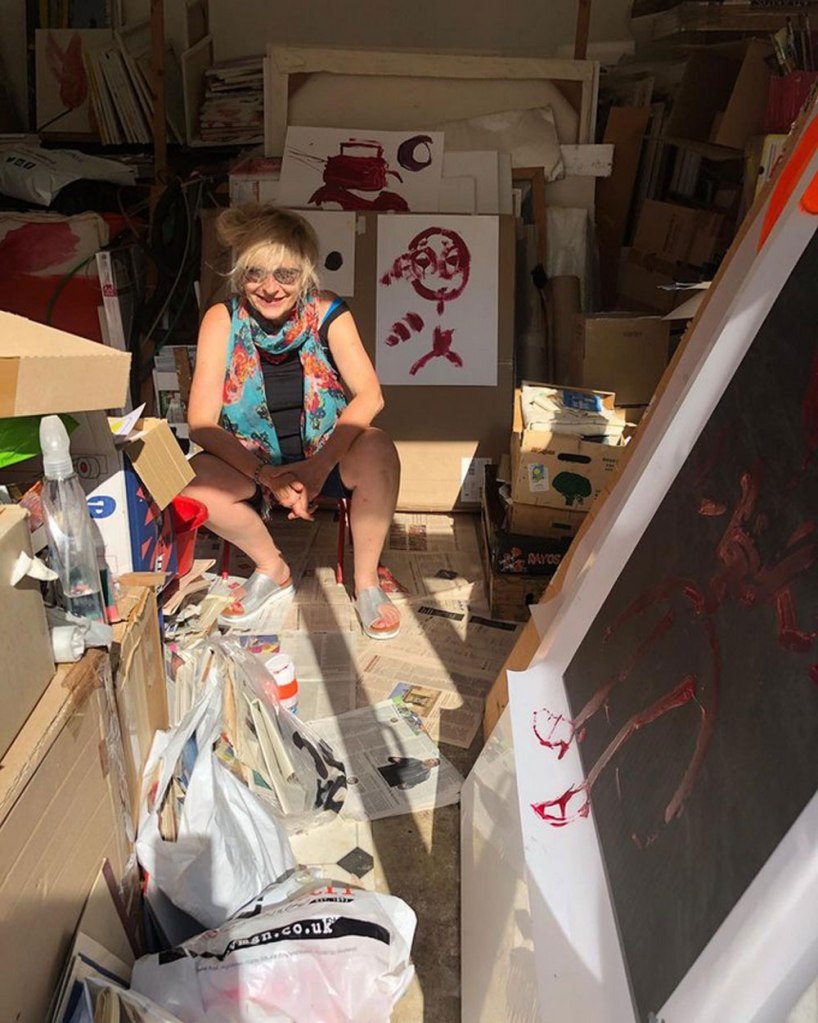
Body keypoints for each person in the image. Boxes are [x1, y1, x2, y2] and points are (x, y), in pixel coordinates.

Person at [183, 205, 401, 638]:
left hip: (326, 455)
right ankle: (272, 567)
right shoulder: (222, 318)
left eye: (285, 274)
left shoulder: (327, 310)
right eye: (255, 273)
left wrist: (317, 467)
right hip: (251, 462)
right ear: (239, 275)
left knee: (378, 448)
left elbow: (370, 395)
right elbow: (201, 423)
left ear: (306, 274)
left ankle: (366, 583)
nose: (270, 288)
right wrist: (267, 475)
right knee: (188, 481)